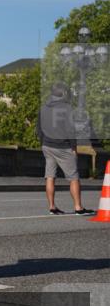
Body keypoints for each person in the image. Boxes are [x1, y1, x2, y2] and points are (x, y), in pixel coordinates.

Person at [37, 82, 95, 215]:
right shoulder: (67, 108)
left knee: (50, 176)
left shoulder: (44, 108)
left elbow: (39, 128)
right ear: (63, 93)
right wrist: (74, 147)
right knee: (74, 177)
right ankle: (78, 207)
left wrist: (43, 142)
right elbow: (70, 130)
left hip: (47, 145)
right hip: (63, 146)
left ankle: (52, 207)